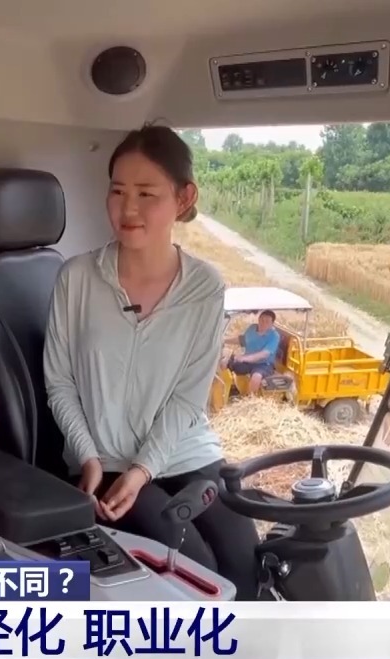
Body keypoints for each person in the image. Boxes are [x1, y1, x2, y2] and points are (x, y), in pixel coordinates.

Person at [43, 124, 261, 600]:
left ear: (184, 198)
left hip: (184, 450)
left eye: (146, 193)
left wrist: (145, 468)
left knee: (245, 563)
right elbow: (59, 383)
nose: (128, 208)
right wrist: (89, 458)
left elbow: (187, 398)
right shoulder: (75, 279)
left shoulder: (205, 287)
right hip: (103, 460)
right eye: (118, 191)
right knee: (196, 573)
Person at [227, 310, 281, 395]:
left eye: (267, 321)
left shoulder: (274, 336)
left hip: (264, 364)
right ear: (258, 319)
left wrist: (244, 358)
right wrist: (224, 341)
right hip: (247, 362)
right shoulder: (252, 328)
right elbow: (242, 340)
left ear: (272, 324)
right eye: (262, 319)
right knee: (224, 363)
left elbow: (264, 354)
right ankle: (221, 394)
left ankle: (249, 399)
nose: (263, 323)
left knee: (256, 377)